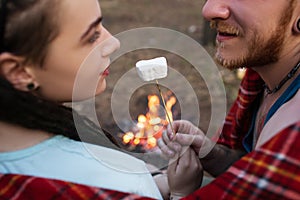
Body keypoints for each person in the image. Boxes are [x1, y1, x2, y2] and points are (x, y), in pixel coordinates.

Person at [0, 0, 190, 199]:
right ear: (19, 71)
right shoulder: (120, 182)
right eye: (91, 37)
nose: (114, 43)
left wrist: (148, 176)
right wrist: (179, 192)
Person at [159, 0, 300, 199]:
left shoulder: (293, 126)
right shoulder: (261, 78)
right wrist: (213, 155)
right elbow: (252, 169)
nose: (209, 11)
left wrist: (180, 194)